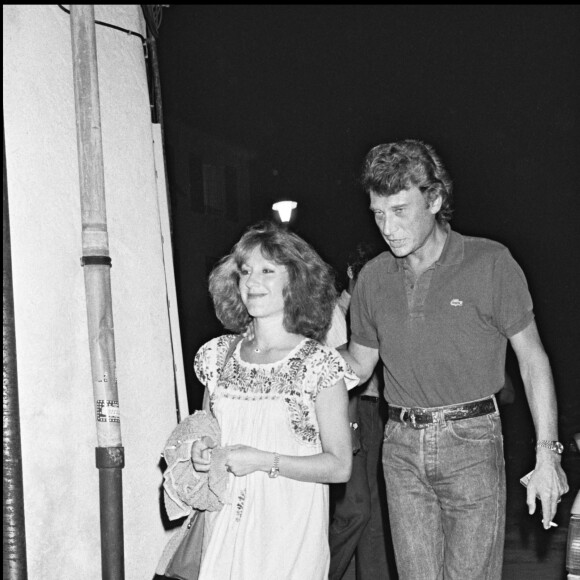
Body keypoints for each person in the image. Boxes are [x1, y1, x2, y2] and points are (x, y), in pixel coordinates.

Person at [340, 139, 569, 579]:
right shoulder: (372, 278)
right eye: (378, 213)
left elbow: (533, 359)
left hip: (472, 441)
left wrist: (547, 457)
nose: (387, 227)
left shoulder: (490, 262)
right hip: (401, 446)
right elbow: (357, 365)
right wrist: (291, 362)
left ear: (435, 199)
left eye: (400, 210)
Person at [191, 221, 356, 580]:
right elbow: (206, 431)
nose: (251, 282)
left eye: (267, 270)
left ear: (295, 281)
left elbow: (340, 465)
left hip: (288, 531)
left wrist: (264, 461)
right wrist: (201, 451)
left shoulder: (318, 364)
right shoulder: (217, 356)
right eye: (246, 271)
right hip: (225, 525)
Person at [328, 244, 395, 580]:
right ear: (352, 275)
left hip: (376, 412)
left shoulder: (375, 311)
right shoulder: (331, 316)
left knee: (374, 513)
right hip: (347, 412)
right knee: (354, 510)